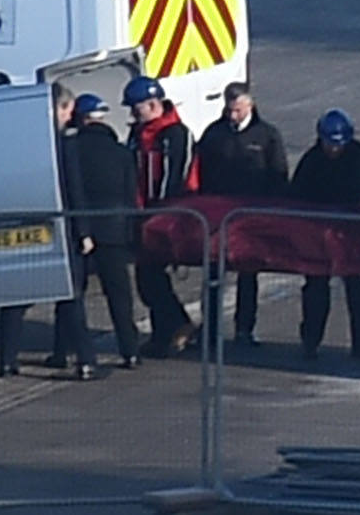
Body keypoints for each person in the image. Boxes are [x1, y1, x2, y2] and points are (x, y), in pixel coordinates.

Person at [0, 84, 98, 379]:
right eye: (68, 109)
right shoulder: (65, 146)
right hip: (59, 227)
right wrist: (84, 232)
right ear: (60, 109)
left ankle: (6, 360)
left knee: (15, 298)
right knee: (70, 296)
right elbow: (74, 190)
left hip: (24, 227)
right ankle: (86, 361)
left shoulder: (19, 145)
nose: (70, 116)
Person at [192, 81, 290, 347]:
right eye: (229, 110)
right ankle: (210, 330)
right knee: (213, 275)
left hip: (252, 217)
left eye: (237, 110)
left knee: (248, 276)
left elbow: (278, 175)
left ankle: (244, 330)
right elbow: (201, 173)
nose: (233, 115)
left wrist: (272, 213)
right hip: (217, 218)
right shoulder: (214, 135)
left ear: (250, 105)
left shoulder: (268, 136)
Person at [290, 109, 360, 361]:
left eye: (338, 144)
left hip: (353, 236)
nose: (334, 150)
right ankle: (310, 341)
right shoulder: (311, 161)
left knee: (358, 291)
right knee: (315, 290)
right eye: (329, 144)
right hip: (318, 236)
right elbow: (295, 196)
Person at [65, 93, 145, 368]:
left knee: (74, 295)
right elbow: (130, 194)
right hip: (115, 231)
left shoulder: (71, 149)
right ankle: (130, 350)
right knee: (120, 296)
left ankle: (69, 352)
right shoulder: (121, 152)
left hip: (79, 230)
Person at [125, 75, 198, 358]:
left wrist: (161, 214)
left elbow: (174, 178)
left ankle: (177, 325)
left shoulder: (176, 134)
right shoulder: (139, 134)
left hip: (167, 218)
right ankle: (165, 332)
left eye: (136, 107)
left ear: (154, 104)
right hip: (143, 215)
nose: (133, 113)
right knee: (148, 279)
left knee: (154, 276)